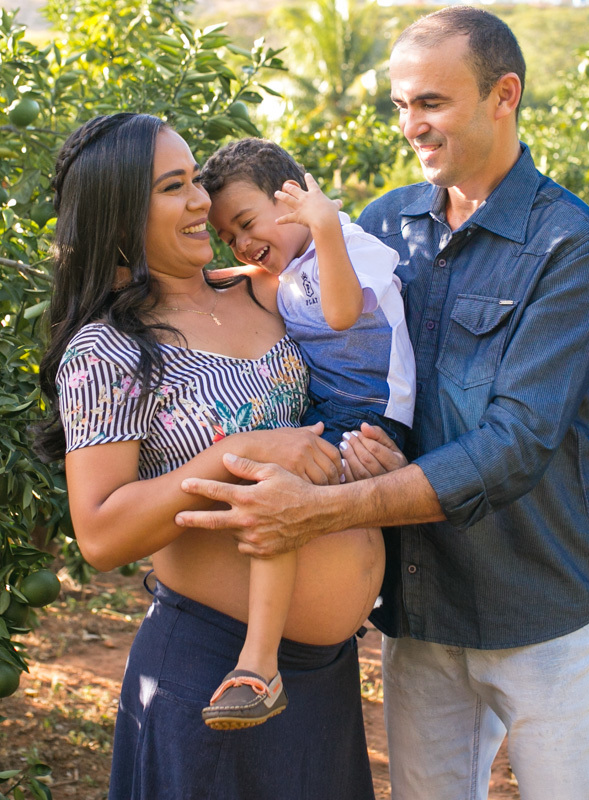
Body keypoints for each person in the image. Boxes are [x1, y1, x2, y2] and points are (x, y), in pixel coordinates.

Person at [176, 7, 589, 799]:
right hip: (423, 608)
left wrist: (334, 506)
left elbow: (514, 442)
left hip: (541, 605)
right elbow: (349, 365)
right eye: (400, 105)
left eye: (432, 103)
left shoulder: (568, 246)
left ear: (504, 95)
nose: (412, 125)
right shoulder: (385, 226)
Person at [32, 112, 381, 799]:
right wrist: (238, 452)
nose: (200, 202)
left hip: (322, 671)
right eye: (173, 187)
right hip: (215, 668)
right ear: (121, 212)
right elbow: (101, 534)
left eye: (195, 180)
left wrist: (380, 454)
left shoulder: (263, 288)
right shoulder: (111, 350)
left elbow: (353, 371)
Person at [196, 138, 415, 728]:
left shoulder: (347, 246)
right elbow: (253, 279)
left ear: (293, 198)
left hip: (367, 422)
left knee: (278, 494)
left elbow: (342, 313)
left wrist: (324, 228)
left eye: (245, 224)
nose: (240, 243)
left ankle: (259, 665)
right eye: (227, 235)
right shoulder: (288, 267)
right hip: (330, 413)